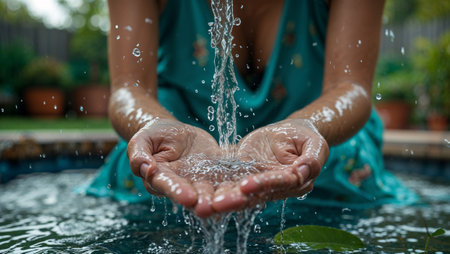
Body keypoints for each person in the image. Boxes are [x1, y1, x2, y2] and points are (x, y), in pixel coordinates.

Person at [83, 0, 417, 218]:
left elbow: (351, 89)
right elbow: (128, 88)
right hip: (176, 137)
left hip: (311, 130)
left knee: (338, 161)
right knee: (143, 166)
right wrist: (154, 122)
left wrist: (306, 125)